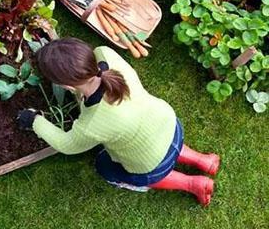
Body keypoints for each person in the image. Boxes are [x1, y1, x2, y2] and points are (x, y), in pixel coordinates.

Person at [17, 38, 220, 206]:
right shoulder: (106, 55)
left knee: (104, 166)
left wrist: (34, 120)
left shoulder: (92, 124)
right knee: (157, 141)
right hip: (169, 124)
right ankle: (203, 160)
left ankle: (192, 183)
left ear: (66, 86)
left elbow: (66, 145)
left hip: (149, 162)